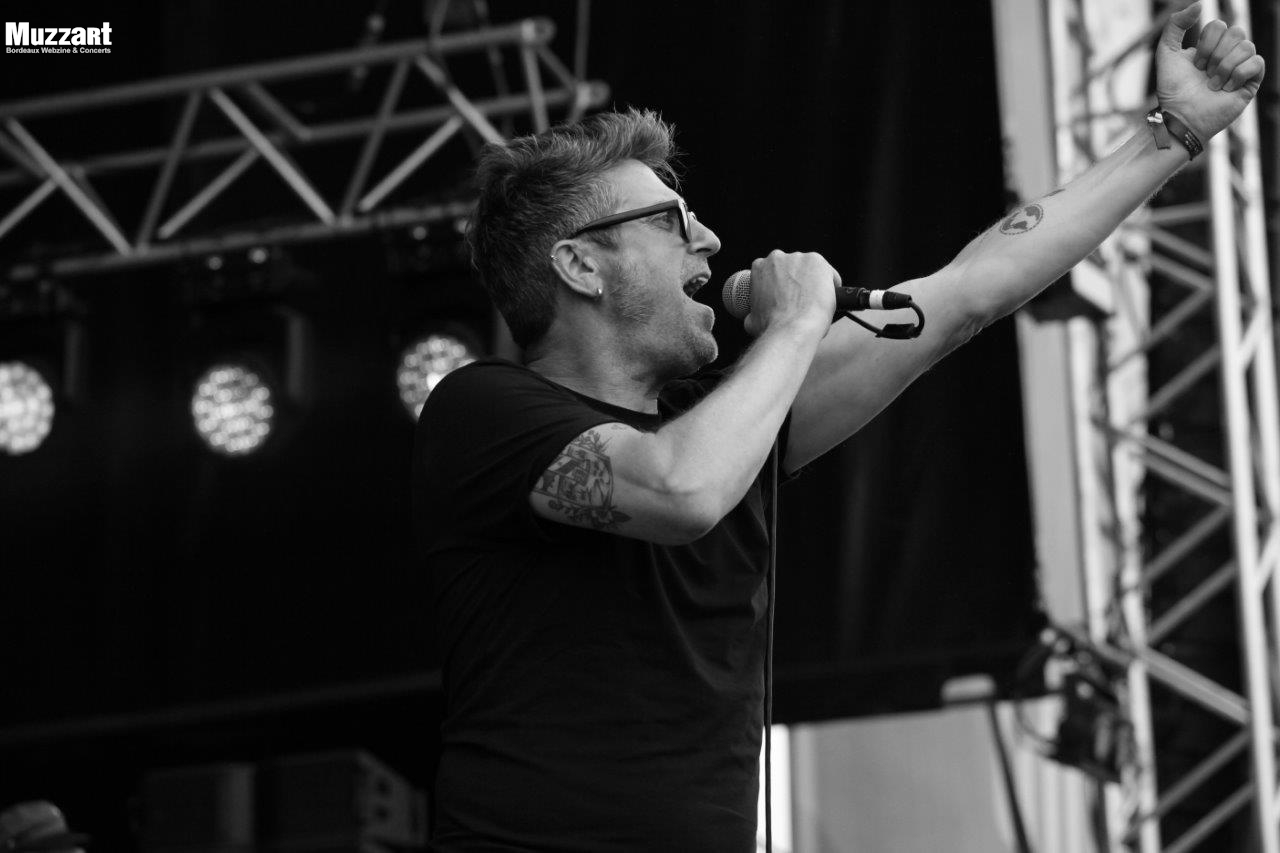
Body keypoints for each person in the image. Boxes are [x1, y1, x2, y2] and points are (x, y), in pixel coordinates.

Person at [412, 4, 1263, 850]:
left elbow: (972, 290)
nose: (707, 239)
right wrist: (794, 324)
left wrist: (1173, 132)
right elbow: (679, 489)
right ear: (578, 264)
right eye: (669, 221)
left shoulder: (731, 423)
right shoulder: (480, 410)